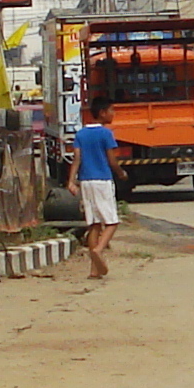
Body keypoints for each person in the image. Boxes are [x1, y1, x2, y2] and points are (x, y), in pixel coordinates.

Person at [72, 113, 121, 279]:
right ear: (103, 112)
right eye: (110, 110)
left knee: (94, 223)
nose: (112, 114)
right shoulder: (106, 133)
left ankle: (94, 270)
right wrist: (121, 173)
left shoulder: (80, 134)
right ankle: (99, 249)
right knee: (112, 222)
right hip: (102, 180)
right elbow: (112, 160)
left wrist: (71, 181)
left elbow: (77, 158)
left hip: (85, 181)